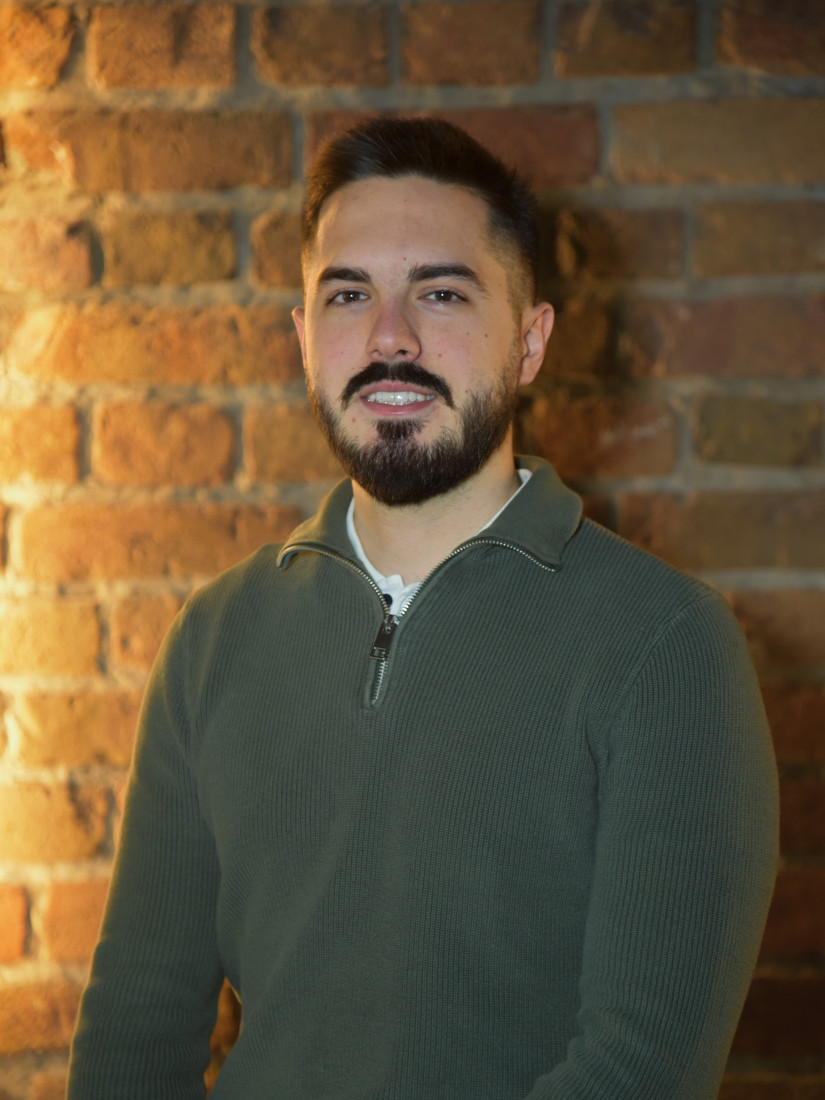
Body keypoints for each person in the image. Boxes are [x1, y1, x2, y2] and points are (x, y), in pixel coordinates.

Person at [68, 117, 778, 1099]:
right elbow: (136, 1030)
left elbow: (639, 1070)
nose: (389, 337)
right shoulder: (215, 638)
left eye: (441, 293)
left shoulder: (664, 645)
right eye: (348, 294)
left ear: (529, 342)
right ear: (304, 338)